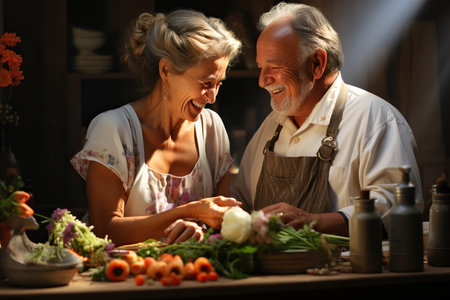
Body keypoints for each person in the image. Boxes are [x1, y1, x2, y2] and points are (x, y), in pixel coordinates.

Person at [234, 2, 423, 236]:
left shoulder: (376, 119)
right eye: (261, 67)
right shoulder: (270, 128)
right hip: (274, 272)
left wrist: (313, 221)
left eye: (274, 66)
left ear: (317, 63)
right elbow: (242, 204)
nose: (263, 81)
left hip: (348, 271)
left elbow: (398, 209)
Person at [71, 9, 242, 246]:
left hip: (197, 275)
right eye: (205, 83)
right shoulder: (114, 129)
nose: (212, 97)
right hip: (127, 277)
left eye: (218, 84)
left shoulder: (212, 128)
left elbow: (223, 223)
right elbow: (103, 230)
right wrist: (189, 212)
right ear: (166, 71)